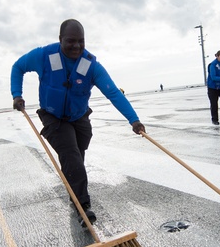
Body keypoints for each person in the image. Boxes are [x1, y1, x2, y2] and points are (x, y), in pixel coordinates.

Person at [11, 18, 145, 224]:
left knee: (77, 156)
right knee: (71, 155)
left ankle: (74, 188)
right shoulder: (44, 55)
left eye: (81, 41)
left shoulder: (90, 65)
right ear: (60, 39)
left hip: (79, 117)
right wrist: (16, 95)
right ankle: (83, 206)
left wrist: (134, 120)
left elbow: (113, 93)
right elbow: (17, 67)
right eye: (71, 41)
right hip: (53, 117)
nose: (76, 46)